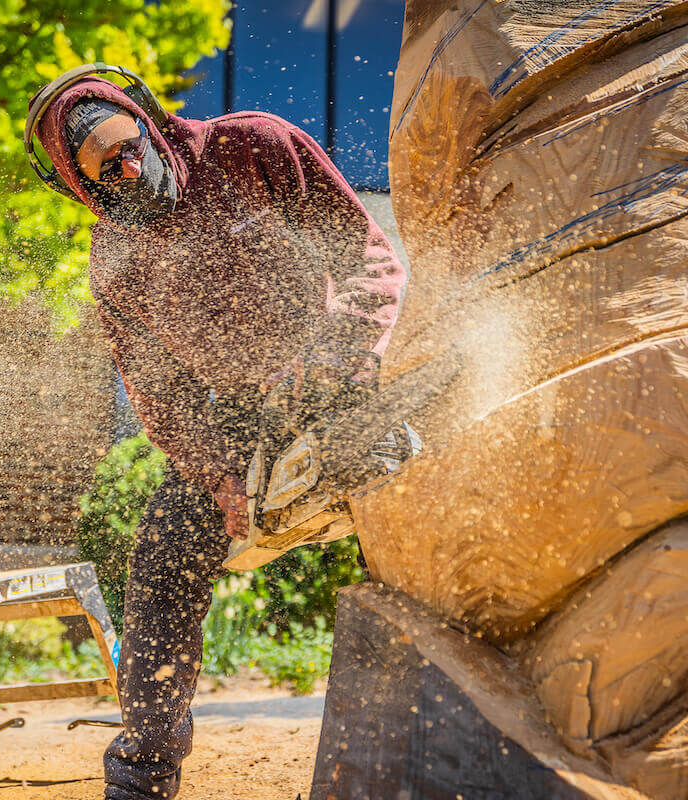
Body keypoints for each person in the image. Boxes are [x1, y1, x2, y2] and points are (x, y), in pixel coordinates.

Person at [25, 64, 405, 799]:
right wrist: (220, 476)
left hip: (332, 365)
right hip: (234, 416)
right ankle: (142, 771)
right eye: (109, 169)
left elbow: (367, 259)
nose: (130, 167)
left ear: (144, 117)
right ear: (83, 187)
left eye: (127, 144)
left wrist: (331, 356)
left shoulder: (254, 145)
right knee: (162, 562)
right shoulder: (114, 263)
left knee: (399, 482)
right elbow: (159, 398)